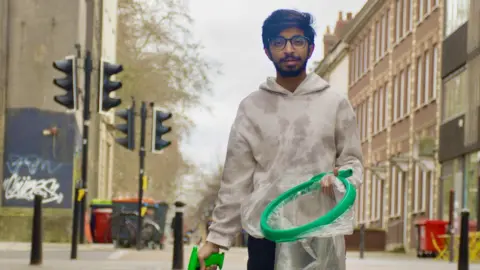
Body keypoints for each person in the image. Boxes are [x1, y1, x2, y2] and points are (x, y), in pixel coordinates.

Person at [197, 9, 363, 270]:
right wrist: (216, 240)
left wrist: (340, 179)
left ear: (309, 48)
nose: (289, 49)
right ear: (267, 50)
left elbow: (352, 162)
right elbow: (235, 181)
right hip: (267, 236)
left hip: (319, 233)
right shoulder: (252, 108)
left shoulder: (335, 104)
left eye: (297, 41)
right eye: (279, 42)